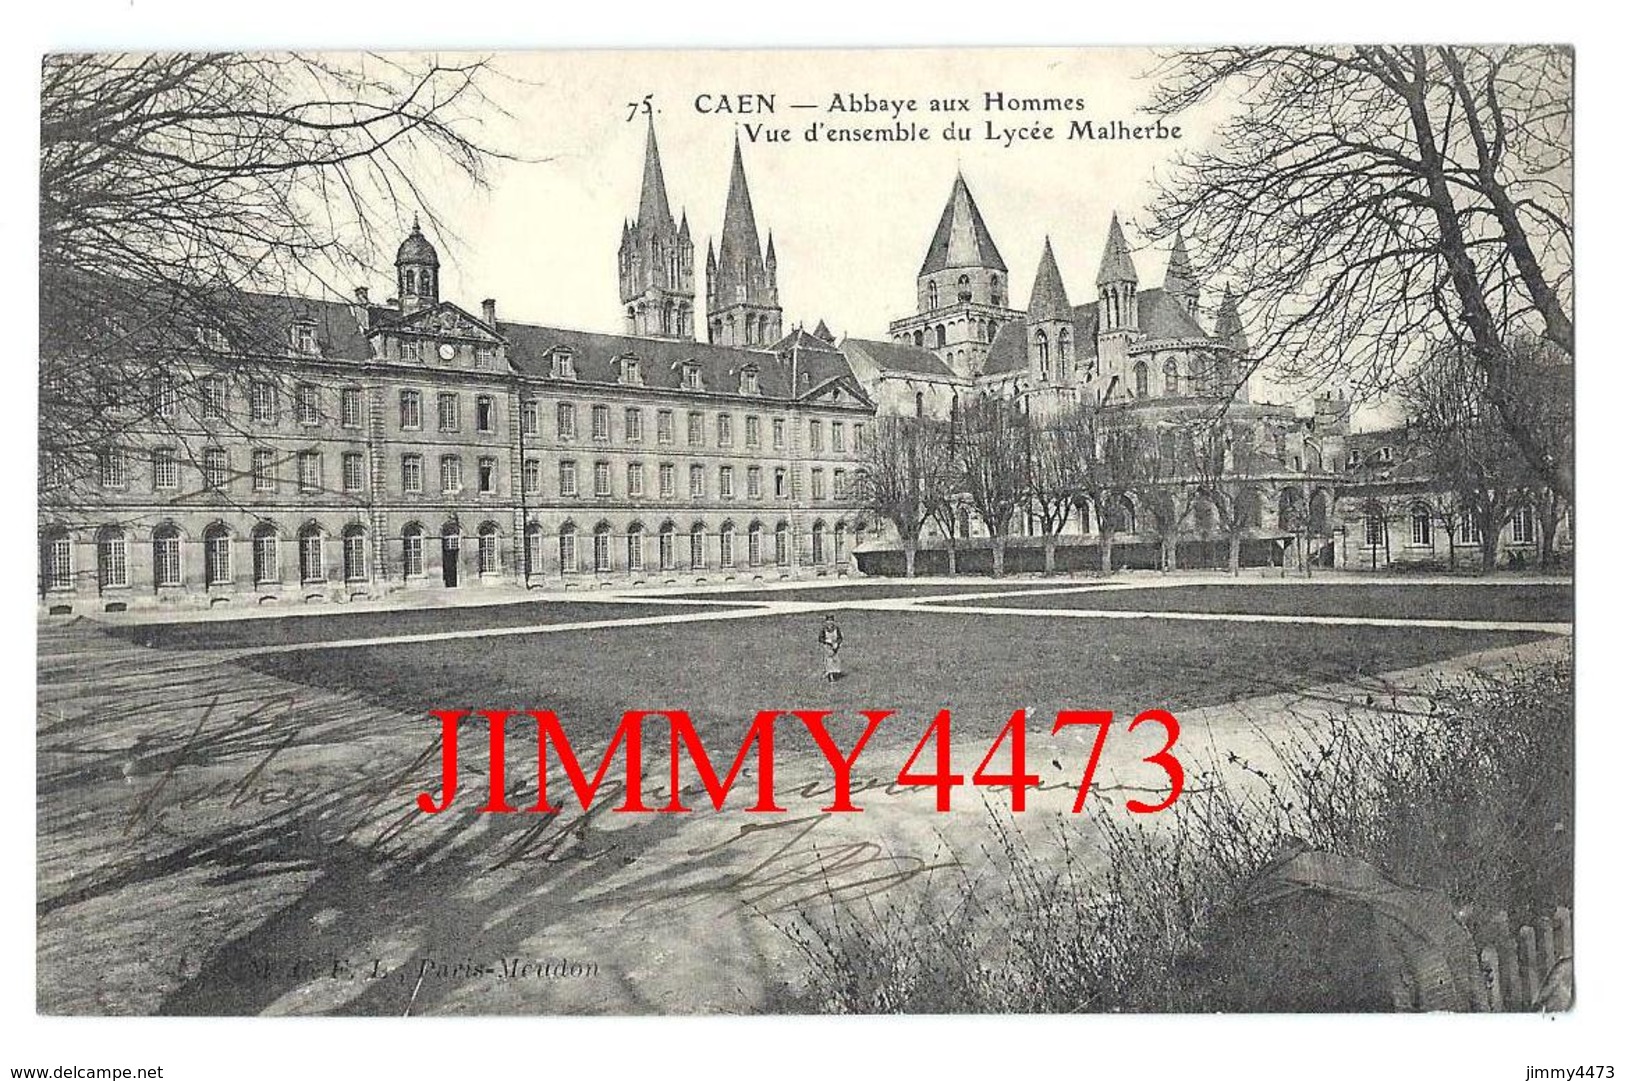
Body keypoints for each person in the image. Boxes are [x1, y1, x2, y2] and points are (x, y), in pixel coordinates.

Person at [818, 614, 843, 682]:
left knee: (835, 660)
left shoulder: (836, 629)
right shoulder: (824, 629)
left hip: (835, 647)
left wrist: (837, 644)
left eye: (831, 621)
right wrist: (827, 641)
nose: (829, 622)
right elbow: (820, 638)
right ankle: (830, 675)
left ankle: (833, 673)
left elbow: (840, 638)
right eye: (828, 621)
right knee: (828, 660)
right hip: (827, 647)